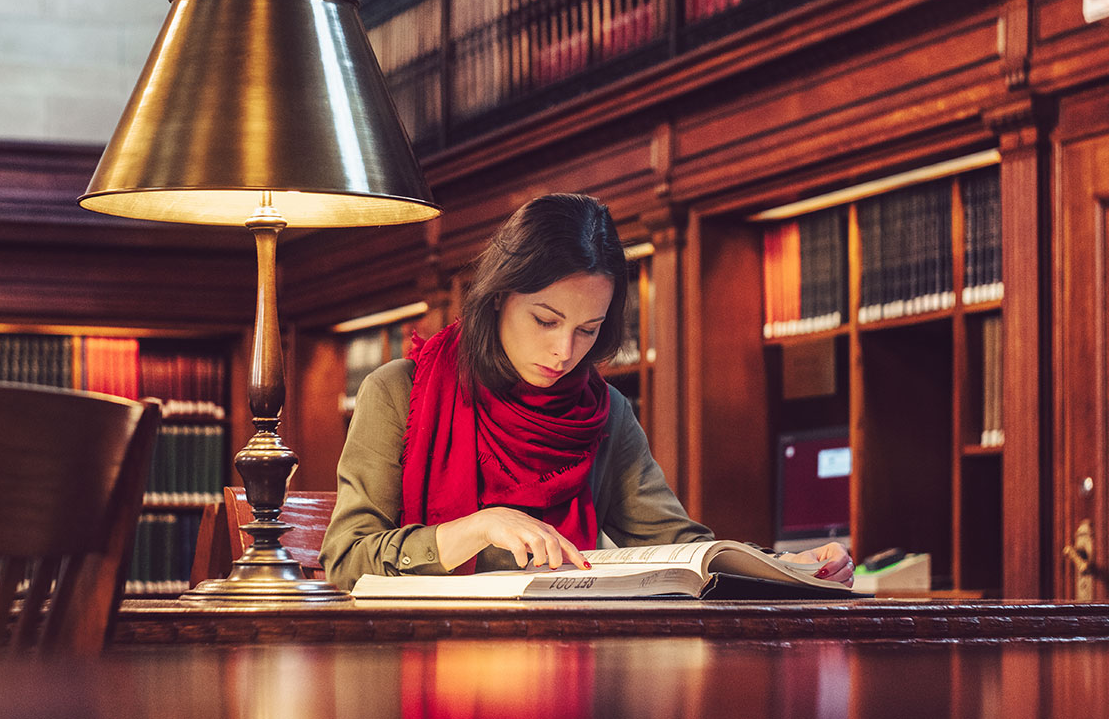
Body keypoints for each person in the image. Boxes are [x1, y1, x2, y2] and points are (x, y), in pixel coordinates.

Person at [319, 193, 854, 590]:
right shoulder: (398, 393)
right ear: (499, 297)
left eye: (588, 330)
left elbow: (674, 543)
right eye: (546, 320)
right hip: (421, 657)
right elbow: (345, 560)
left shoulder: (603, 411)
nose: (563, 352)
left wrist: (784, 567)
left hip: (567, 652)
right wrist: (478, 529)